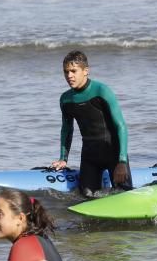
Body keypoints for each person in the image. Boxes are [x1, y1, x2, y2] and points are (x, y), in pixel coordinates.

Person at [49, 51, 132, 197]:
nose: (69, 76)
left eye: (73, 71)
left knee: (123, 195)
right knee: (86, 197)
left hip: (113, 153)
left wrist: (122, 161)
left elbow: (121, 126)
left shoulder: (101, 91)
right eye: (66, 72)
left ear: (86, 71)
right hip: (90, 156)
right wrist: (63, 159)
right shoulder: (66, 99)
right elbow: (67, 129)